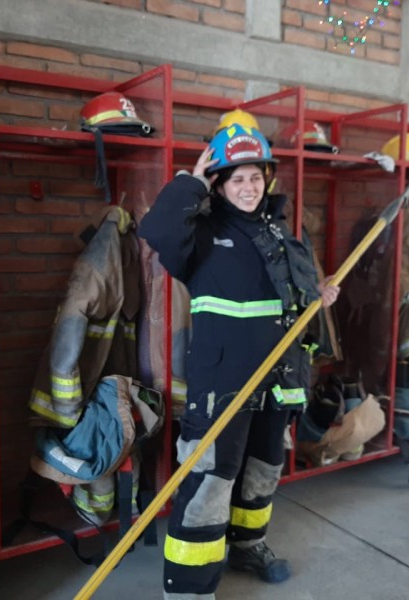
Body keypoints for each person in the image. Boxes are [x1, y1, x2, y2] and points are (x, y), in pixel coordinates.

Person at [139, 123, 339, 599]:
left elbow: (294, 294)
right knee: (210, 478)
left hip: (277, 377)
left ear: (266, 178)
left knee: (263, 468)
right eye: (237, 179)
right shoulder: (201, 233)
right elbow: (156, 231)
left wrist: (318, 294)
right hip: (223, 381)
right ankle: (190, 587)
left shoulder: (278, 231)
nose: (248, 188)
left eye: (255, 177)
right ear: (220, 184)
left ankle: (249, 545)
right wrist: (192, 180)